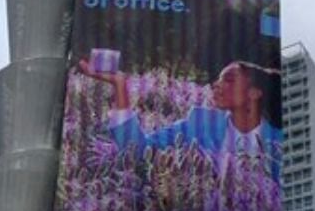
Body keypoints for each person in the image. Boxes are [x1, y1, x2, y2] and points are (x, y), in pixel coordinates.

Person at [77, 55, 283, 180]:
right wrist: (120, 85)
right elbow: (138, 149)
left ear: (254, 92)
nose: (216, 85)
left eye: (228, 79)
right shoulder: (200, 122)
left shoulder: (279, 144)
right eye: (217, 79)